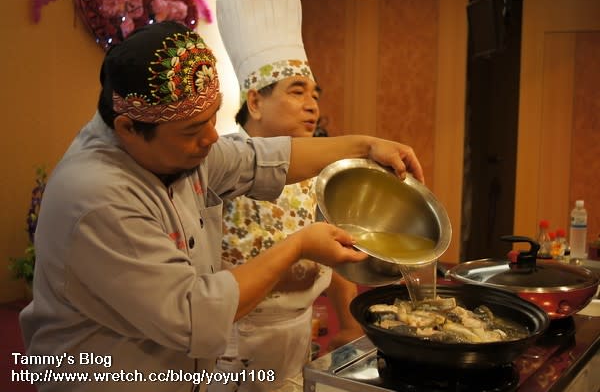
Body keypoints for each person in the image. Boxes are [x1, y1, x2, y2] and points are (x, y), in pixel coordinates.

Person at [19, 21, 424, 392]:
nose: (212, 138)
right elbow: (193, 313)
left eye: (213, 120)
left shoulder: (181, 150)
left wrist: (364, 146)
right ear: (128, 129)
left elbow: (261, 158)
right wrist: (298, 247)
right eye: (194, 130)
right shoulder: (97, 197)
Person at [213, 0, 364, 390]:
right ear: (255, 101)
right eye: (297, 91)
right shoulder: (218, 167)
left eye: (315, 94)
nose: (312, 105)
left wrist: (348, 324)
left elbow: (335, 250)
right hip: (227, 350)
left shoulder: (320, 173)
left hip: (296, 343)